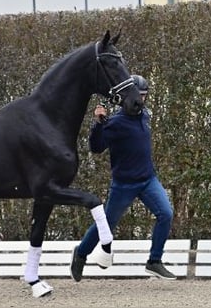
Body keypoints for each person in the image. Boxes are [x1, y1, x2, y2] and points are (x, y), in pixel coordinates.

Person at [70, 75, 176, 281]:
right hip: (124, 185)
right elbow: (95, 147)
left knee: (166, 214)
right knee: (107, 225)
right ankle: (81, 254)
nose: (141, 100)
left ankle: (154, 261)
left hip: (148, 180)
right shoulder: (115, 123)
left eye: (144, 96)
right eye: (138, 95)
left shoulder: (144, 114)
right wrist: (99, 123)